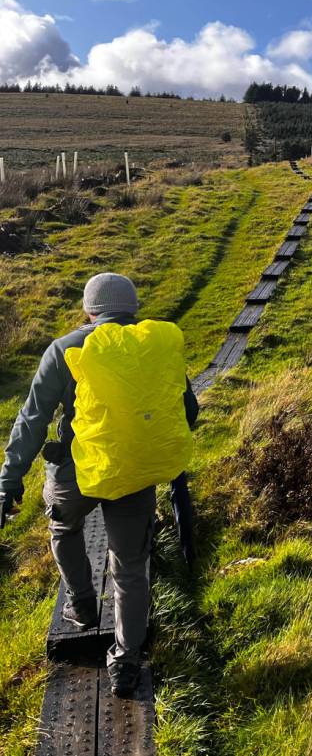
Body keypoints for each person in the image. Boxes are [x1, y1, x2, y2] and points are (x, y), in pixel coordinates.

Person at [0, 273, 197, 697]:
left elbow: (32, 421)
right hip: (134, 471)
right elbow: (188, 409)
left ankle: (82, 603)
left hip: (76, 473)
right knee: (129, 566)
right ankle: (126, 660)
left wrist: (8, 482)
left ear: (89, 311)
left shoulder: (66, 348)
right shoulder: (154, 345)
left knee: (63, 527)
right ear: (133, 309)